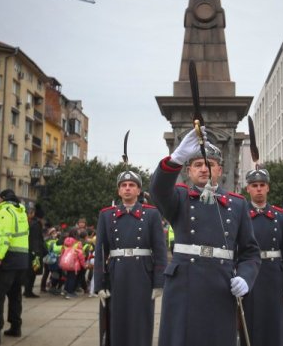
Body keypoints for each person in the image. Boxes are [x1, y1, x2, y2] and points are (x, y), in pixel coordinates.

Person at [149, 128, 261, 346]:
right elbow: (158, 190)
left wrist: (246, 278)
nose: (204, 169)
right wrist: (176, 158)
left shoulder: (237, 204)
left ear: (220, 170)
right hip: (184, 286)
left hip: (220, 285)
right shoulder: (179, 197)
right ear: (189, 171)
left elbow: (250, 252)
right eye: (197, 165)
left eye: (209, 164)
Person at [94, 170, 167, 346]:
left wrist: (159, 283)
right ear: (118, 191)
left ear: (139, 190)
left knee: (141, 319)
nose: (127, 188)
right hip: (116, 274)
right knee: (117, 319)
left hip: (142, 273)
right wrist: (99, 284)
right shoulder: (106, 215)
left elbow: (159, 250)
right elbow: (101, 251)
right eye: (123, 185)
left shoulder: (151, 214)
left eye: (132, 185)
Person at [243, 168, 283, 346]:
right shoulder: (240, 214)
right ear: (248, 189)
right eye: (254, 185)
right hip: (248, 275)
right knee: (249, 322)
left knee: (274, 322)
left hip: (274, 277)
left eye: (262, 185)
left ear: (268, 188)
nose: (258, 188)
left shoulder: (280, 216)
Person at [0, 189, 29, 345]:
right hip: (21, 260)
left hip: (7, 259)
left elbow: (4, 236)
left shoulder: (4, 212)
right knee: (15, 295)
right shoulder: (21, 212)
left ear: (1, 199)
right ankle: (16, 327)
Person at [24, 205, 46, 298]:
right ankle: (28, 291)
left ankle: (27, 290)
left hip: (30, 251)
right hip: (35, 252)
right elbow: (36, 239)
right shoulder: (36, 224)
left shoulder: (31, 223)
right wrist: (37, 251)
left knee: (30, 272)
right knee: (33, 271)